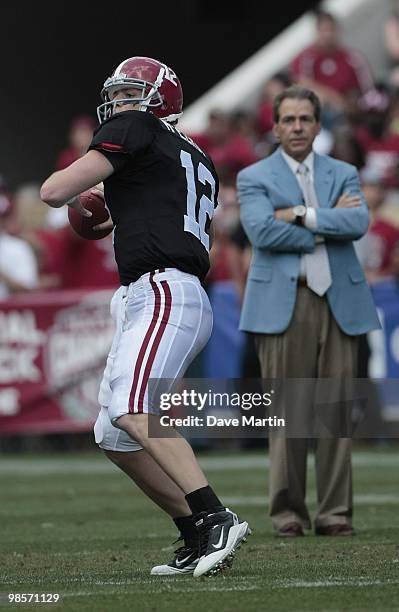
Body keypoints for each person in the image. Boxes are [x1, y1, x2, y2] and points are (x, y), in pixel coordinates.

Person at [40, 56, 250, 577]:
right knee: (113, 433)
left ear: (161, 99)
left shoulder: (136, 127)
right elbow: (148, 198)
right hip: (159, 290)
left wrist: (81, 196)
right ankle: (195, 532)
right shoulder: (192, 152)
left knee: (133, 407)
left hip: (163, 288)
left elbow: (52, 191)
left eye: (131, 92)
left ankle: (215, 514)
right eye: (120, 93)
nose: (121, 102)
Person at [237, 85, 380, 537]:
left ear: (318, 126)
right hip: (284, 302)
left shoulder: (343, 171)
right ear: (275, 127)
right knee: (288, 413)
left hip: (341, 301)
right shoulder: (253, 176)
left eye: (305, 119)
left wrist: (298, 215)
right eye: (289, 120)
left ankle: (335, 513)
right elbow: (261, 232)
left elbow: (357, 223)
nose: (297, 127)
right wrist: (324, 221)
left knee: (336, 413)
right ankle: (288, 514)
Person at [291, 11, 374, 127]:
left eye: (331, 29)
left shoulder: (352, 57)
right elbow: (303, 86)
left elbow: (368, 90)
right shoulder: (306, 59)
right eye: (323, 30)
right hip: (323, 118)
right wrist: (335, 99)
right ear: (317, 32)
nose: (328, 35)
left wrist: (354, 104)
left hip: (354, 112)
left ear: (338, 31)